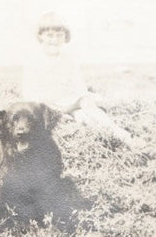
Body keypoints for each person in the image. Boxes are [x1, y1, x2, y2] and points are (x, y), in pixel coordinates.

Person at [20, 10, 132, 144]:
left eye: (59, 35)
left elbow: (79, 87)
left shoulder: (69, 60)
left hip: (67, 103)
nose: (54, 40)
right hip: (46, 107)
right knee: (82, 108)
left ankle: (119, 134)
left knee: (85, 108)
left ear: (65, 37)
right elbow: (29, 94)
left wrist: (77, 102)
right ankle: (77, 118)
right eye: (49, 35)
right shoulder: (33, 61)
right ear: (40, 36)